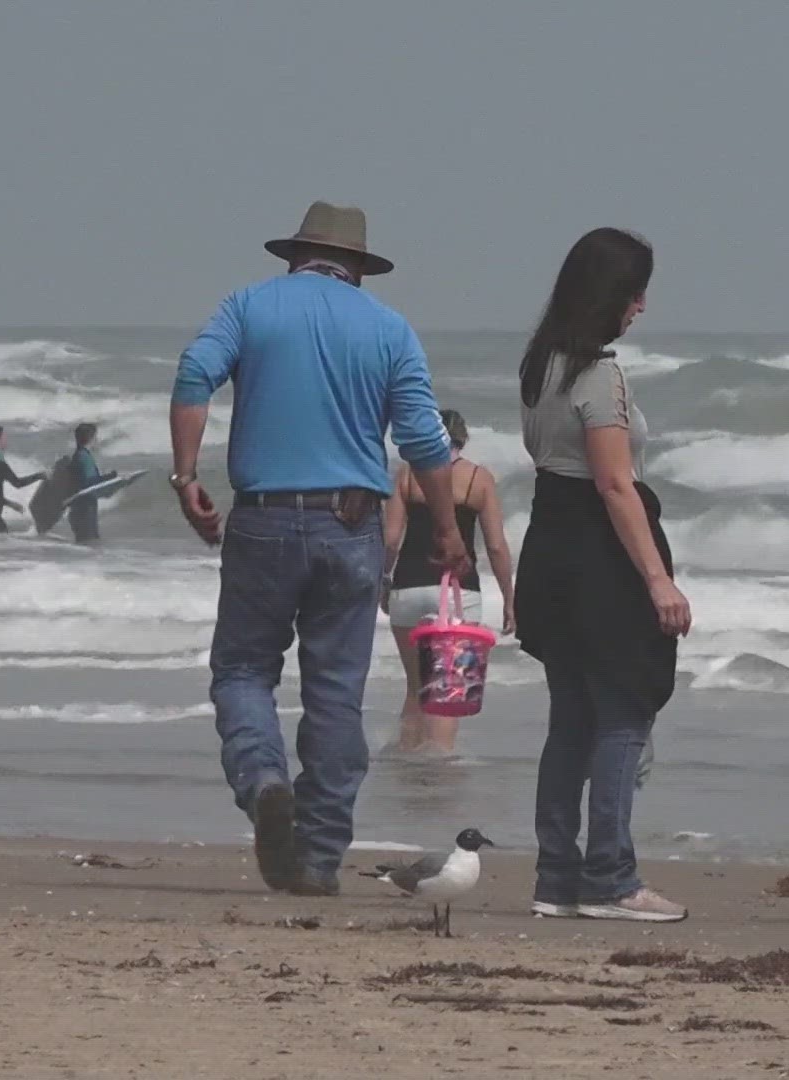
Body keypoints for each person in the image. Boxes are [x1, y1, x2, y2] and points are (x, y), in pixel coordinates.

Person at [168, 201, 467, 897]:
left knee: (244, 671)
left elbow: (192, 376)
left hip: (264, 521)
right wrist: (448, 528)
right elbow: (424, 439)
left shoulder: (249, 306)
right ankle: (321, 859)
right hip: (351, 525)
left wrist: (186, 478)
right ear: (357, 268)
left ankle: (265, 782)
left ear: (295, 257)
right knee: (336, 697)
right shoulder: (389, 328)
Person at [515, 227, 690, 923]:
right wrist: (657, 581)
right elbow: (616, 486)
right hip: (597, 555)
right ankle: (611, 877)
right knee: (623, 712)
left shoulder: (539, 364)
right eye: (634, 292)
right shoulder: (599, 374)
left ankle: (557, 876)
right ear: (610, 296)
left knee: (571, 719)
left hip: (548, 546)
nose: (641, 306)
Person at [382, 407, 517, 754]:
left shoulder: (407, 474)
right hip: (458, 592)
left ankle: (407, 763)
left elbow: (391, 539)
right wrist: (509, 597)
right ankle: (438, 770)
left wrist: (383, 582)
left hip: (408, 588)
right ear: (464, 438)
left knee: (414, 687)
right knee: (447, 690)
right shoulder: (478, 478)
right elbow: (496, 546)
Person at [0, 425, 42, 532]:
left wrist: (10, 504)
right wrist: (40, 476)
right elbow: (18, 483)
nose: (6, 440)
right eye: (4, 437)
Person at [66, 422, 115, 543]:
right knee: (90, 544)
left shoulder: (77, 455)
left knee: (84, 548)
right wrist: (111, 477)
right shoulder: (84, 457)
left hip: (78, 509)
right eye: (96, 437)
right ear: (92, 439)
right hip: (85, 510)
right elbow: (91, 483)